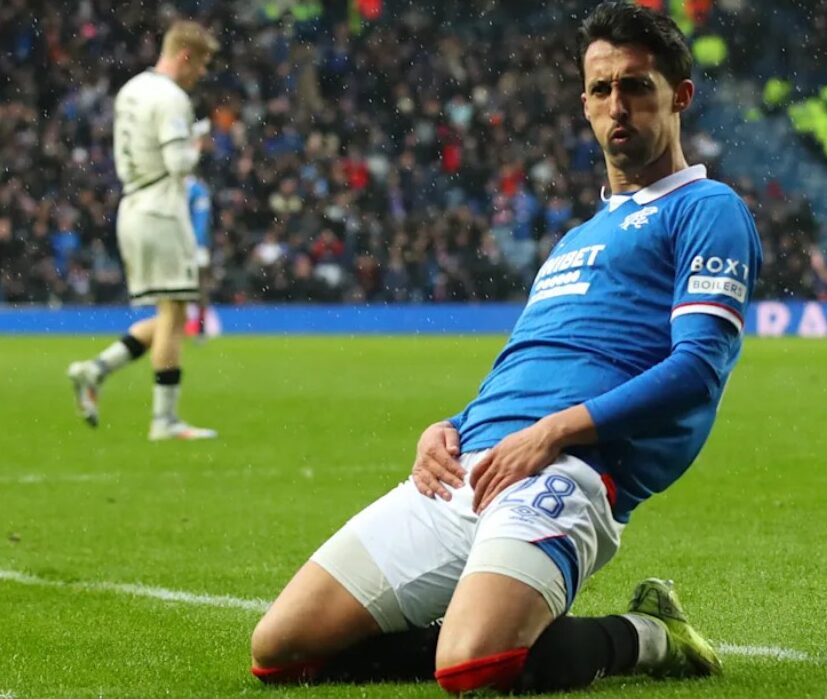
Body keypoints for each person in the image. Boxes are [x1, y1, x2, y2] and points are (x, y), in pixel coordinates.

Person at [250, 1, 762, 693]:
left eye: (638, 86)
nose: (620, 104)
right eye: (603, 88)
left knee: (472, 667)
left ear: (680, 96)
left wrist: (553, 432)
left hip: (567, 466)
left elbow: (697, 370)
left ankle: (647, 635)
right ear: (584, 103)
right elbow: (527, 366)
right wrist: (451, 426)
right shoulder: (574, 238)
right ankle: (489, 608)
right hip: (468, 466)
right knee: (280, 650)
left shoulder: (707, 210)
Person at [67, 20, 219, 441]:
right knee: (175, 313)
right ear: (185, 56)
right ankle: (164, 420)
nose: (200, 76)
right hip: (162, 209)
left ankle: (95, 369)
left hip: (132, 204)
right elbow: (177, 164)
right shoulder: (172, 99)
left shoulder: (132, 89)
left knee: (171, 313)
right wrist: (196, 144)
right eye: (201, 66)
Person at [186, 174, 213, 339]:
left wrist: (194, 241)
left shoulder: (196, 189)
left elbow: (201, 220)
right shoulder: (173, 186)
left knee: (200, 287)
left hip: (195, 247)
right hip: (178, 245)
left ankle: (201, 327)